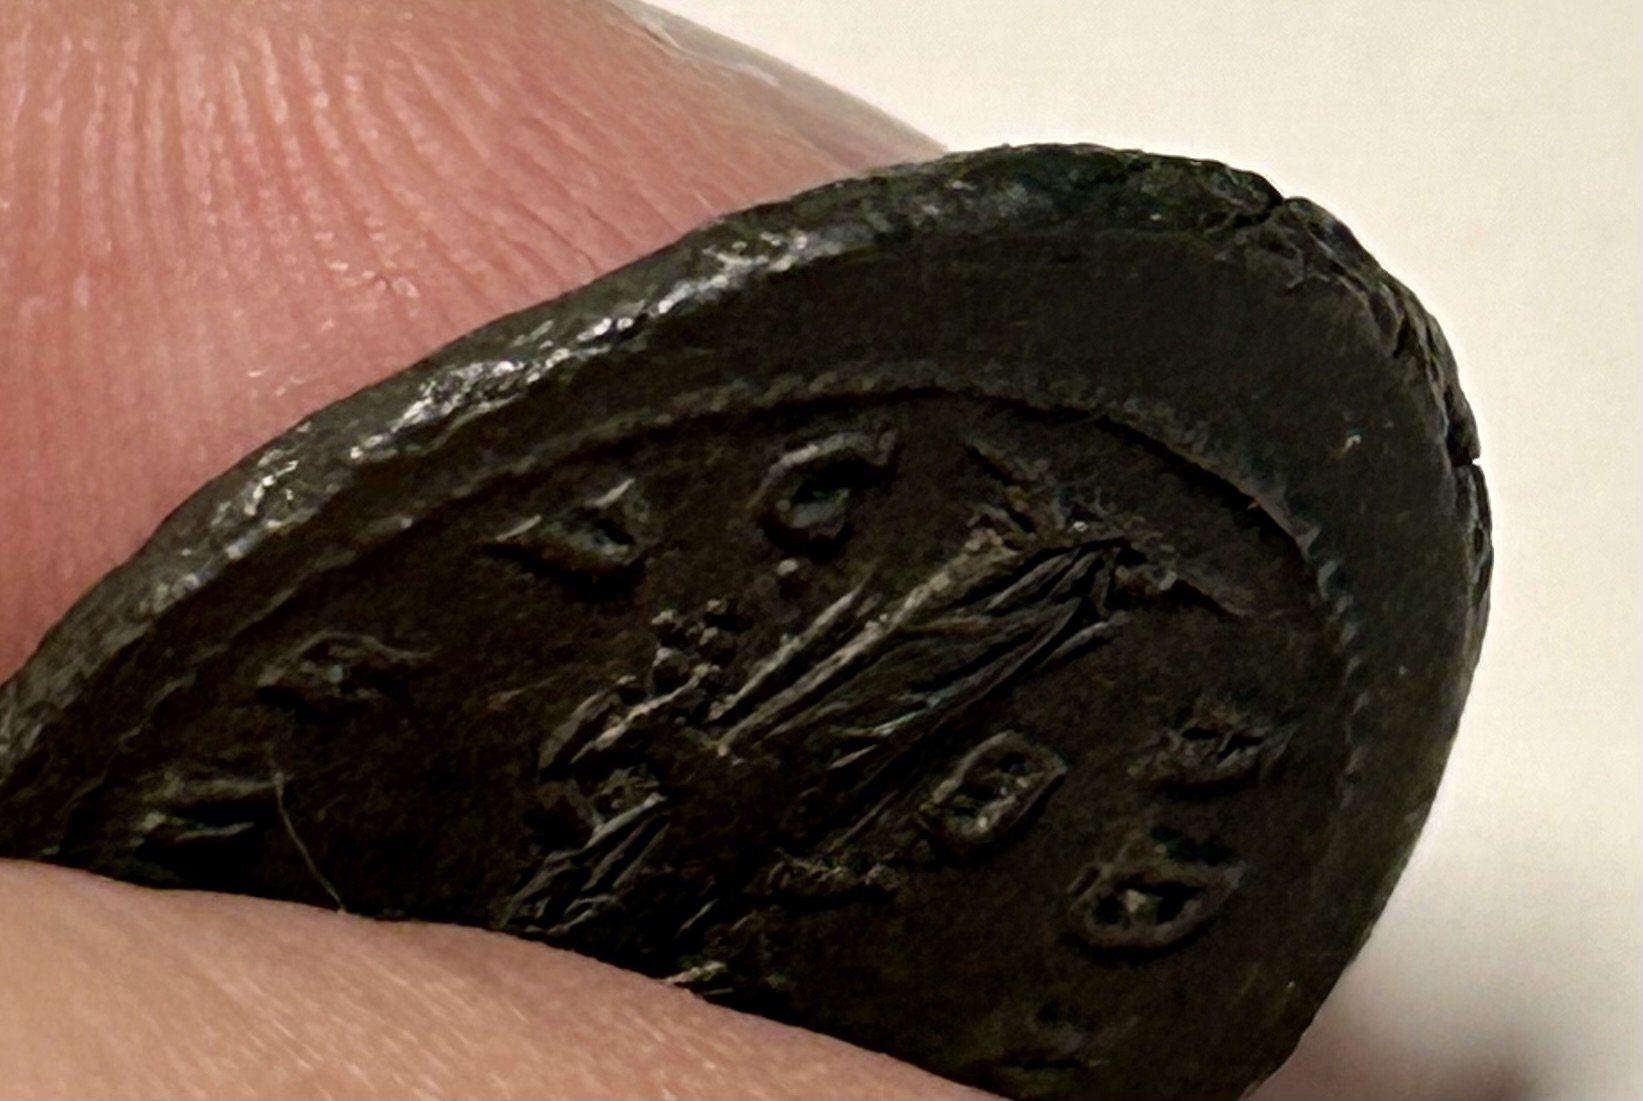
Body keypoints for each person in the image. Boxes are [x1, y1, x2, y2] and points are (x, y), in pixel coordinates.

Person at [0, 2, 1523, 1096]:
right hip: (770, 760)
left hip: (773, 746)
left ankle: (1067, 572)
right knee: (890, 686)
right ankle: (1064, 572)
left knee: (892, 683)